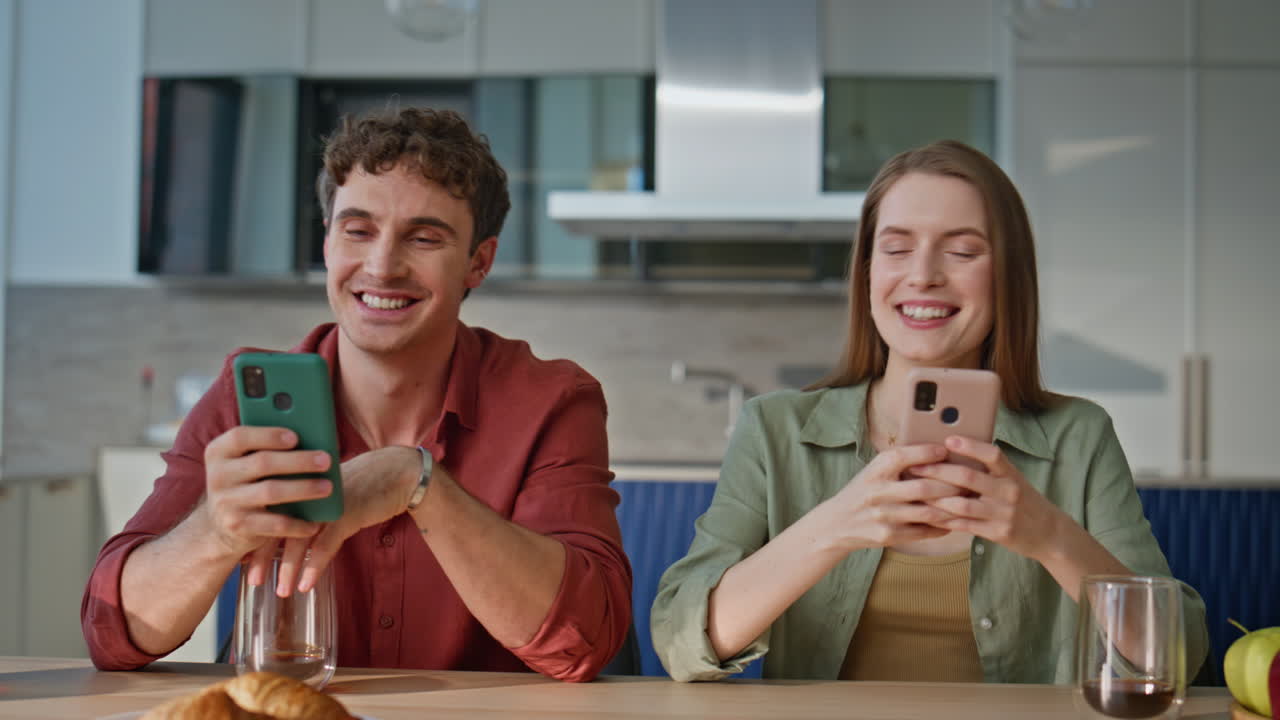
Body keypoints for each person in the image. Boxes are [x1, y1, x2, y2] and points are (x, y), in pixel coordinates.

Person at [82, 108, 631, 683]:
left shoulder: (551, 401)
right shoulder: (245, 397)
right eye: (358, 230)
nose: (381, 266)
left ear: (479, 262)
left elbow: (583, 644)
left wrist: (414, 482)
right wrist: (213, 533)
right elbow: (112, 635)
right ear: (327, 244)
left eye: (423, 238)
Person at [650, 140, 1208, 683]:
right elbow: (680, 640)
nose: (923, 275)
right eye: (895, 248)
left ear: (1008, 277)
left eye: (962, 251)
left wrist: (1049, 536)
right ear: (867, 271)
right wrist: (834, 527)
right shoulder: (774, 431)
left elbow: (1178, 655)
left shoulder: (1078, 438)